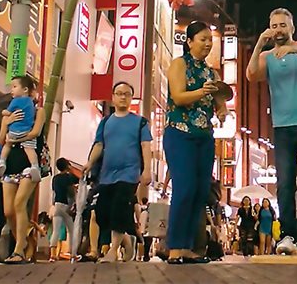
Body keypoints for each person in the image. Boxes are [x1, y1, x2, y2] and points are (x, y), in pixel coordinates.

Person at [246, 8, 297, 254]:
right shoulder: (267, 56)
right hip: (282, 127)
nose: (279, 29)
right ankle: (288, 234)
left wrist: (295, 49)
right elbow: (251, 75)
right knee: (284, 183)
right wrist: (259, 43)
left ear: (291, 27)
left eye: (283, 25)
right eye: (274, 25)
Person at [164, 22, 230, 264]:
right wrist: (204, 92)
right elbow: (179, 96)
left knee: (201, 191)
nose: (208, 43)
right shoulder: (179, 64)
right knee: (184, 188)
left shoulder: (212, 72)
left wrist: (222, 110)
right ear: (189, 41)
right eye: (202, 39)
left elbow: (218, 101)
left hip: (204, 136)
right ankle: (175, 248)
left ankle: (192, 249)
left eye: (210, 40)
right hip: (180, 133)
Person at [84, 81, 152, 264]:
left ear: (131, 98)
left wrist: (147, 170)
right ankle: (126, 240)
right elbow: (99, 145)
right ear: (113, 97)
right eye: (119, 93)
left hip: (129, 173)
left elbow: (146, 146)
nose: (123, 97)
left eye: (127, 94)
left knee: (119, 208)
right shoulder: (106, 122)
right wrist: (89, 163)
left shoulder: (140, 122)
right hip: (106, 174)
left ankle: (113, 251)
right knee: (102, 212)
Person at [0, 101, 46, 264]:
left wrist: (15, 139)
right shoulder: (9, 114)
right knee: (8, 211)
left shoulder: (38, 111)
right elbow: (0, 141)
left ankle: (18, 249)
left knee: (20, 203)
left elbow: (35, 132)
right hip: (10, 165)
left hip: (29, 165)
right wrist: (7, 123)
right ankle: (26, 238)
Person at [0, 76, 40, 182]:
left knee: (7, 145)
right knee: (29, 149)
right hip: (26, 134)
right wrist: (7, 121)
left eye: (14, 87)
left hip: (13, 135)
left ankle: (2, 161)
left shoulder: (15, 102)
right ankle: (35, 166)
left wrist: (5, 114)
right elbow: (34, 133)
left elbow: (36, 133)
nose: (12, 90)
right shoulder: (32, 106)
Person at [50, 158, 78, 262]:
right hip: (66, 206)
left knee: (55, 230)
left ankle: (52, 255)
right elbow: (71, 192)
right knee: (71, 230)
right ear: (67, 165)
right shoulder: (68, 177)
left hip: (57, 205)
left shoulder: (55, 178)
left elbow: (53, 193)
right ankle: (73, 254)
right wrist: (72, 205)